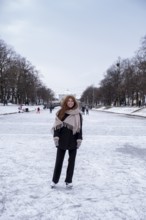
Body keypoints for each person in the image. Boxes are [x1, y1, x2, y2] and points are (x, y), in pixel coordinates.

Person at [51, 95, 83, 189]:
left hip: (73, 140)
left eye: (72, 101)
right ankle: (54, 180)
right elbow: (56, 126)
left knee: (71, 162)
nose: (70, 102)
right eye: (68, 101)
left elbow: (80, 128)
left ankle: (69, 181)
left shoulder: (78, 114)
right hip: (62, 140)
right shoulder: (60, 112)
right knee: (59, 162)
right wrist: (56, 137)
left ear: (74, 102)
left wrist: (79, 138)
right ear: (65, 102)